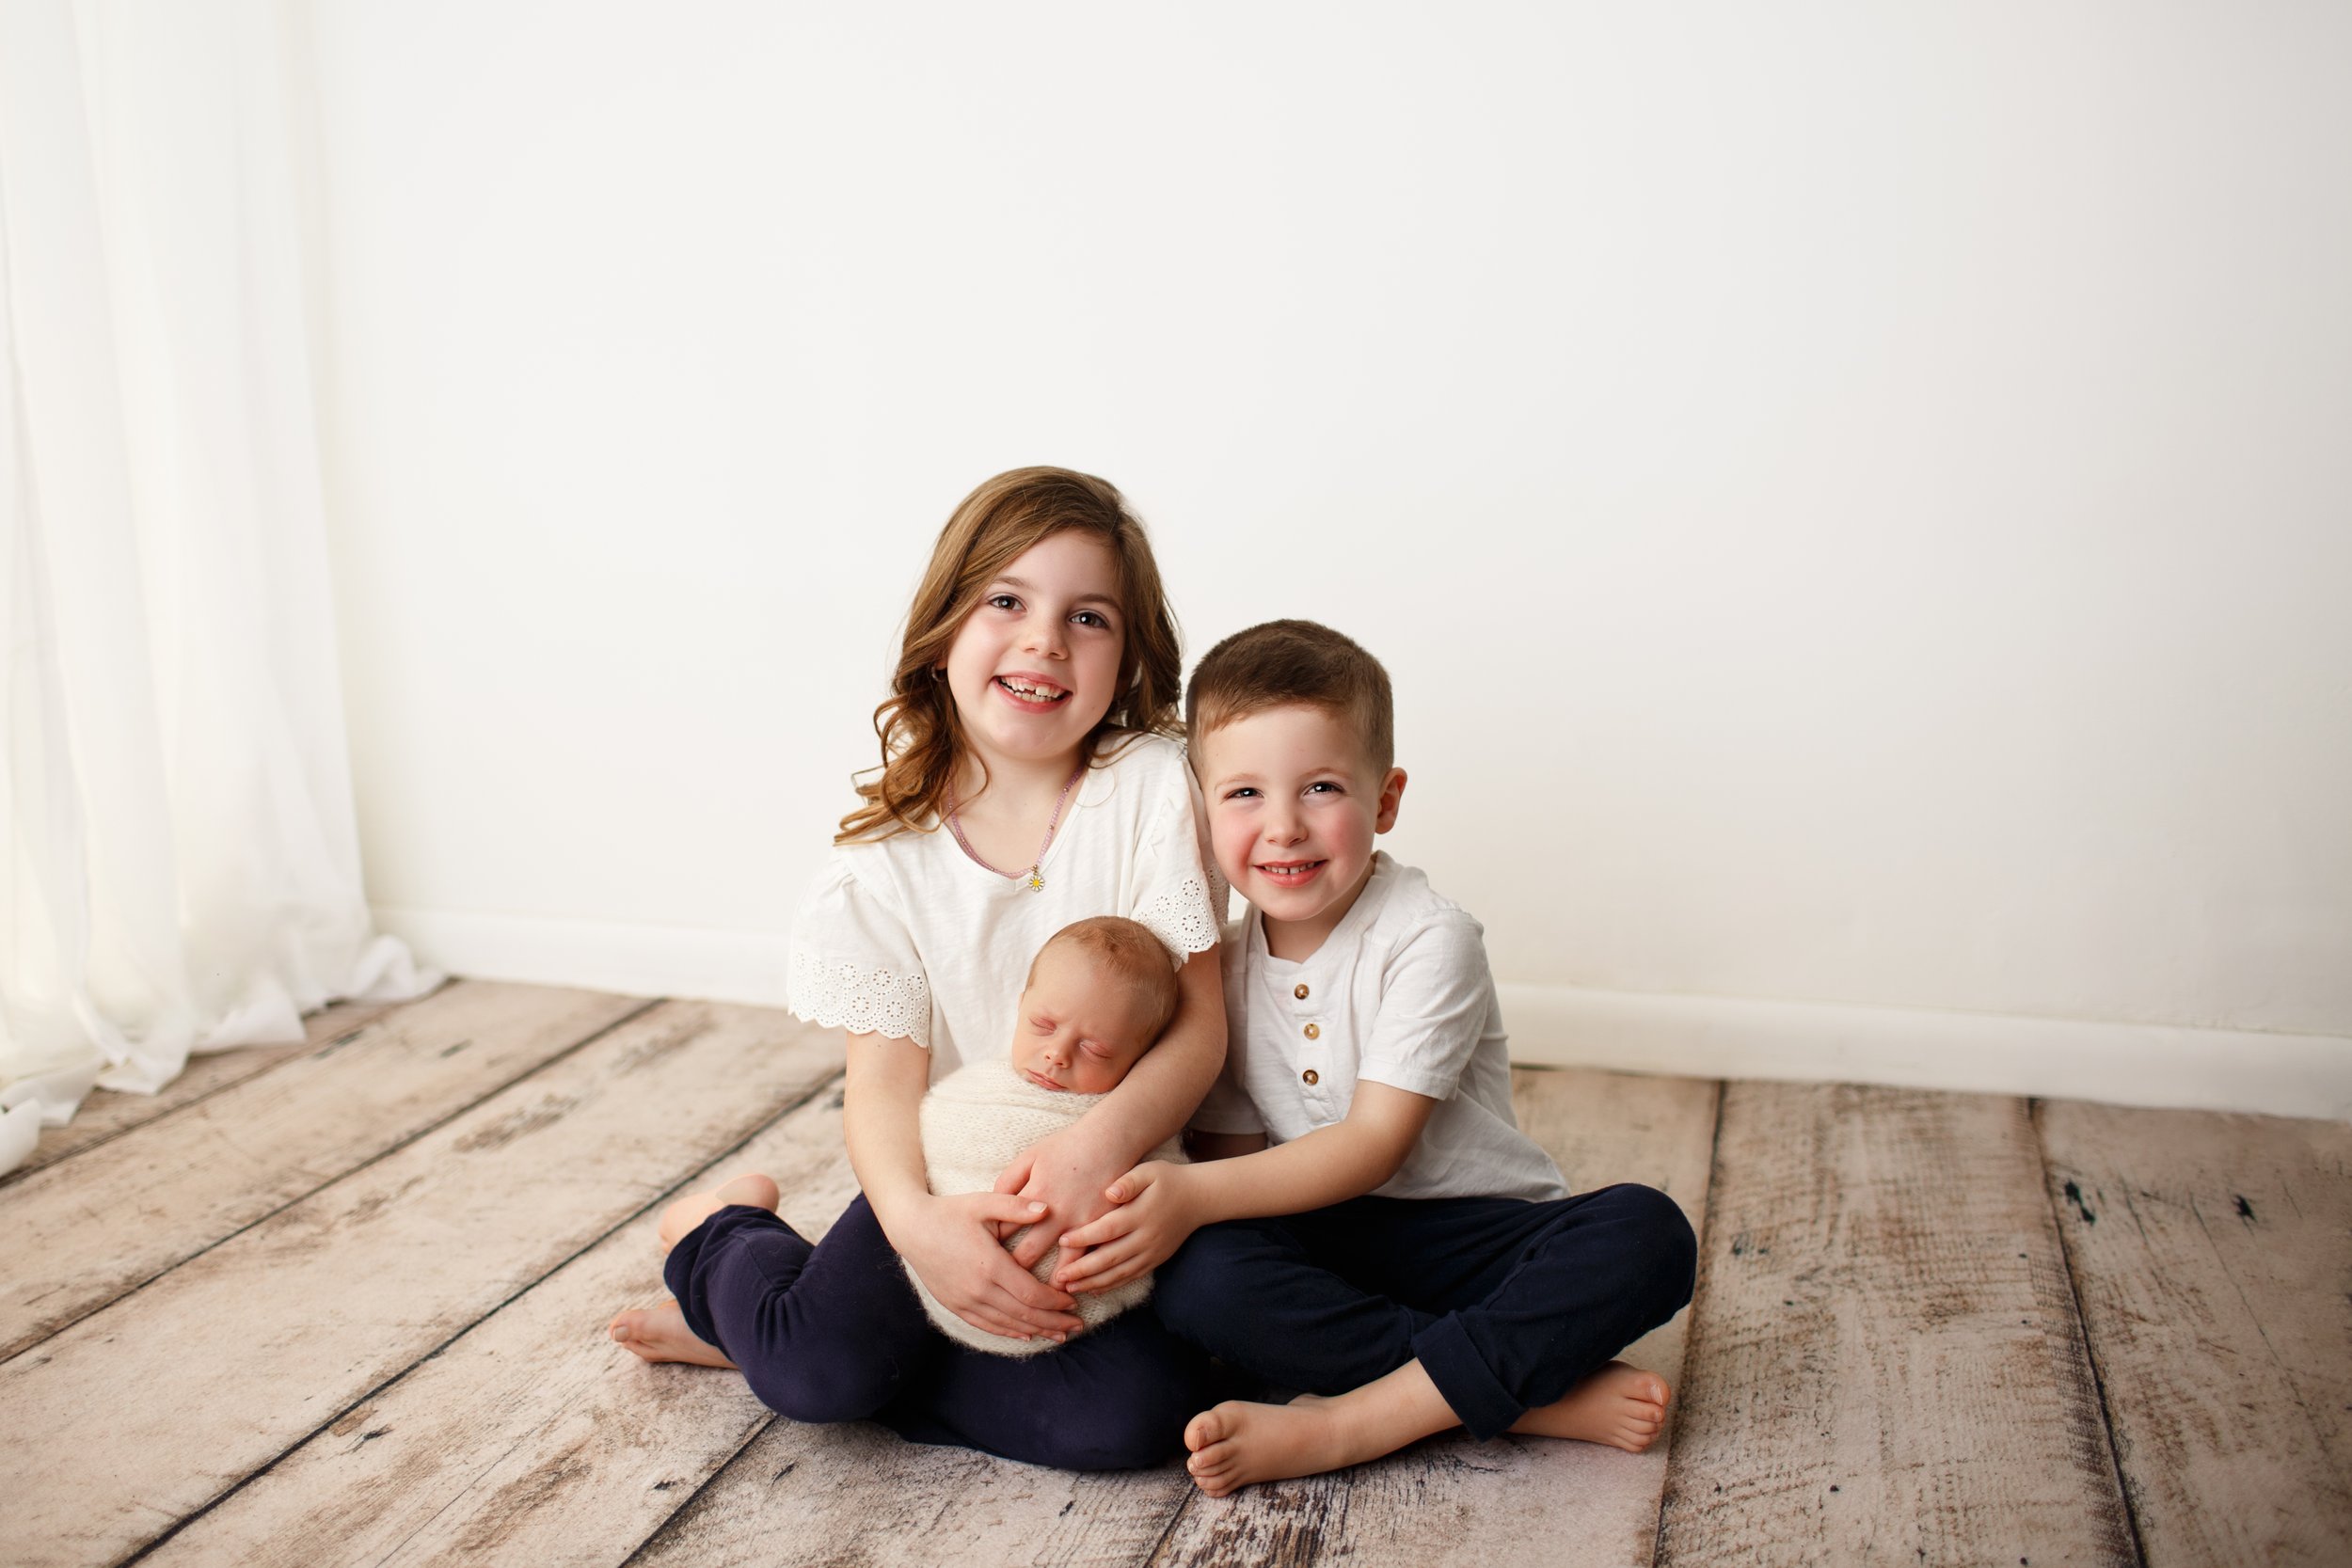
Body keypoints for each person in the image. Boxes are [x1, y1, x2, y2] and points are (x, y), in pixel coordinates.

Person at [607, 468, 1227, 1471]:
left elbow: (1200, 1024)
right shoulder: (881, 864)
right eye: (1006, 601)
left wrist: (1095, 1149)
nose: (1044, 641)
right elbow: (883, 1089)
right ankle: (721, 1240)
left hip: (1110, 1176)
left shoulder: (1152, 790)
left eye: (1089, 617)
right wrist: (917, 1223)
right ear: (945, 629)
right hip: (950, 1175)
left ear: (1131, 655)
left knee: (1132, 1418)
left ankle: (763, 1335)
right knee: (816, 1378)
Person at [1047, 619, 1699, 1495]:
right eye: (1243, 794)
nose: (1283, 827)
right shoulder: (1222, 966)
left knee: (1647, 1233)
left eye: (1320, 787)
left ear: (1384, 800)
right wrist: (1188, 1211)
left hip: (1465, 1230)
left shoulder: (1428, 938)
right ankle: (1529, 1393)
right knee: (1204, 1278)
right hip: (1332, 1237)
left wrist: (1192, 1196)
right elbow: (1240, 1164)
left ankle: (1351, 1420)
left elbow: (1374, 1144)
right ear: (1199, 811)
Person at [902, 914, 1186, 1356]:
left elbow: (1161, 1189)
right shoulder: (972, 1091)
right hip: (942, 1271)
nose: (1057, 1054)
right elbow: (935, 1140)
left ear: (1140, 1057)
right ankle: (750, 1220)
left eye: (1095, 1048)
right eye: (1043, 1026)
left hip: (1069, 1318)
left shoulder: (1138, 1119)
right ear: (1020, 1006)